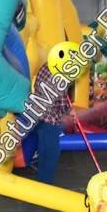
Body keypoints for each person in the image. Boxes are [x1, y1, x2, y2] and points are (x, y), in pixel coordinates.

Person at [32, 42, 78, 185]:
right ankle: (46, 185)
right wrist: (70, 111)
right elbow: (61, 100)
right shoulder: (59, 75)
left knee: (44, 152)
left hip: (38, 115)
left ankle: (42, 182)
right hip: (49, 119)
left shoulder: (46, 66)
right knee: (51, 153)